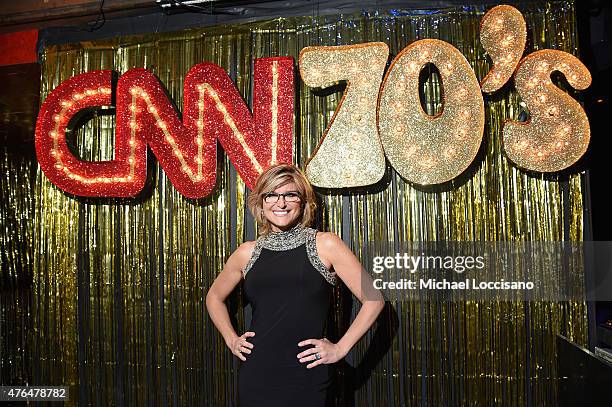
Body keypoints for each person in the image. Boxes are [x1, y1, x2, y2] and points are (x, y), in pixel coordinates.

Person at [205, 163, 385, 407]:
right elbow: (214, 297)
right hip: (257, 373)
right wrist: (231, 339)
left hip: (307, 375)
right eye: (272, 195)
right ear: (261, 201)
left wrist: (341, 348)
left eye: (290, 194)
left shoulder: (326, 244)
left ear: (303, 202)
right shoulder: (247, 253)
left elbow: (374, 298)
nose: (281, 203)